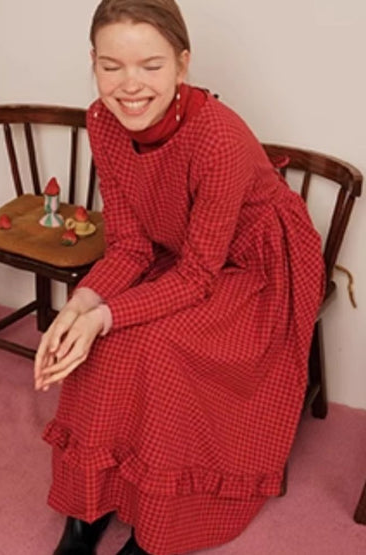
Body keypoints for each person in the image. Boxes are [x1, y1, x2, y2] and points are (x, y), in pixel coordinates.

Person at [34, 1, 324, 553]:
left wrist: (103, 316)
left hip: (256, 266)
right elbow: (129, 246)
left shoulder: (218, 137)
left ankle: (158, 522)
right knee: (100, 344)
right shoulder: (102, 120)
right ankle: (90, 502)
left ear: (182, 65)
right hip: (184, 246)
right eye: (112, 66)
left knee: (157, 349)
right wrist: (78, 309)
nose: (130, 85)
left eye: (151, 65)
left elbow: (196, 276)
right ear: (93, 63)